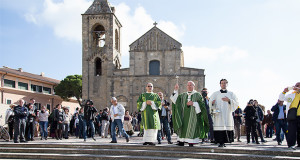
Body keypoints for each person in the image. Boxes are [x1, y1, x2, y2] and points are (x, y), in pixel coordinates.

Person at [170, 81, 209, 147]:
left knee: (192, 128)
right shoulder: (182, 95)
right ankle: (181, 141)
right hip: (183, 116)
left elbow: (202, 106)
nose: (189, 86)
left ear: (194, 86)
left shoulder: (197, 95)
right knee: (183, 128)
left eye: (191, 85)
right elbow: (174, 100)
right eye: (188, 85)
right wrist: (176, 90)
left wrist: (194, 103)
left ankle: (191, 142)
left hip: (193, 116)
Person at [209, 79, 238, 147]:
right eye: (222, 83)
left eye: (225, 83)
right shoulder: (215, 94)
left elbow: (236, 103)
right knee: (219, 127)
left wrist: (229, 100)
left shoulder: (231, 94)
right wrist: (212, 103)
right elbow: (210, 103)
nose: (223, 84)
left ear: (227, 84)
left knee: (226, 127)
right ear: (220, 84)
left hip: (227, 114)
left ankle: (225, 141)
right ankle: (219, 142)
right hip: (219, 115)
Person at [279, 82, 300, 150]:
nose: (295, 87)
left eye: (297, 85)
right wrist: (284, 92)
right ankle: (291, 144)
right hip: (292, 115)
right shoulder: (292, 94)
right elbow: (281, 98)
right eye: (295, 85)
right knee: (292, 130)